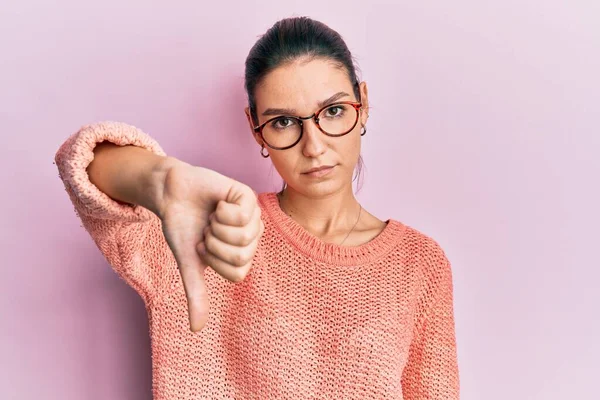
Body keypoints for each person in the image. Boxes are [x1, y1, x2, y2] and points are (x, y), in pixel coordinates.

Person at [55, 16, 459, 400]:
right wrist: (160, 181)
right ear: (255, 128)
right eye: (284, 121)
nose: (314, 146)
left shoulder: (419, 264)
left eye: (333, 111)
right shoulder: (213, 231)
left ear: (363, 103)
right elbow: (79, 161)